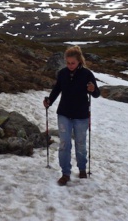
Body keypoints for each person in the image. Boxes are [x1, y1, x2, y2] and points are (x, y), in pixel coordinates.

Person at [43, 45, 100, 186]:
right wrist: (49, 101)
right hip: (64, 114)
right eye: (67, 63)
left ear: (79, 61)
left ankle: (82, 169)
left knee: (80, 144)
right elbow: (57, 89)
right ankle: (65, 173)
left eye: (72, 63)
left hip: (81, 115)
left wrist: (92, 90)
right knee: (64, 144)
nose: (70, 65)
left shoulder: (87, 74)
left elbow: (97, 93)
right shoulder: (62, 73)